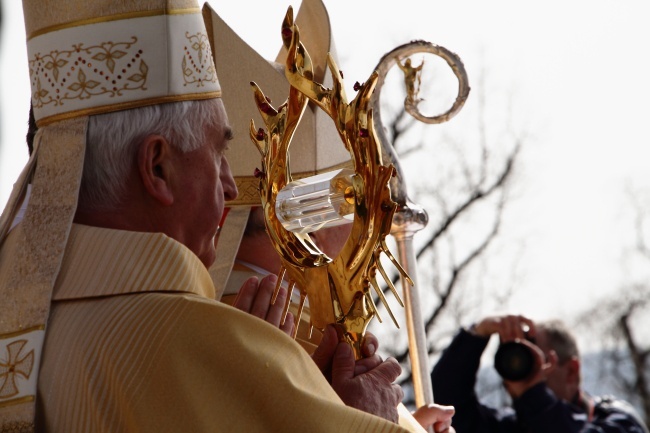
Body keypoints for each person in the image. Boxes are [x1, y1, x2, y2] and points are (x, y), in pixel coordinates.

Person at [0, 1, 423, 431]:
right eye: (218, 153)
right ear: (158, 168)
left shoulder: (23, 323)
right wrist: (364, 422)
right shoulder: (189, 342)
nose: (232, 186)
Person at [207, 2, 455, 431]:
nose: (369, 227)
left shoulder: (252, 309)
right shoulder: (297, 325)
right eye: (354, 204)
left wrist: (409, 423)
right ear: (309, 223)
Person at [431, 314, 649, 433]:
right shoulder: (513, 426)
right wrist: (475, 335)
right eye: (515, 360)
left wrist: (533, 394)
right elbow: (443, 407)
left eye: (537, 359)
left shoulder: (619, 420)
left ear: (571, 371)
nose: (524, 369)